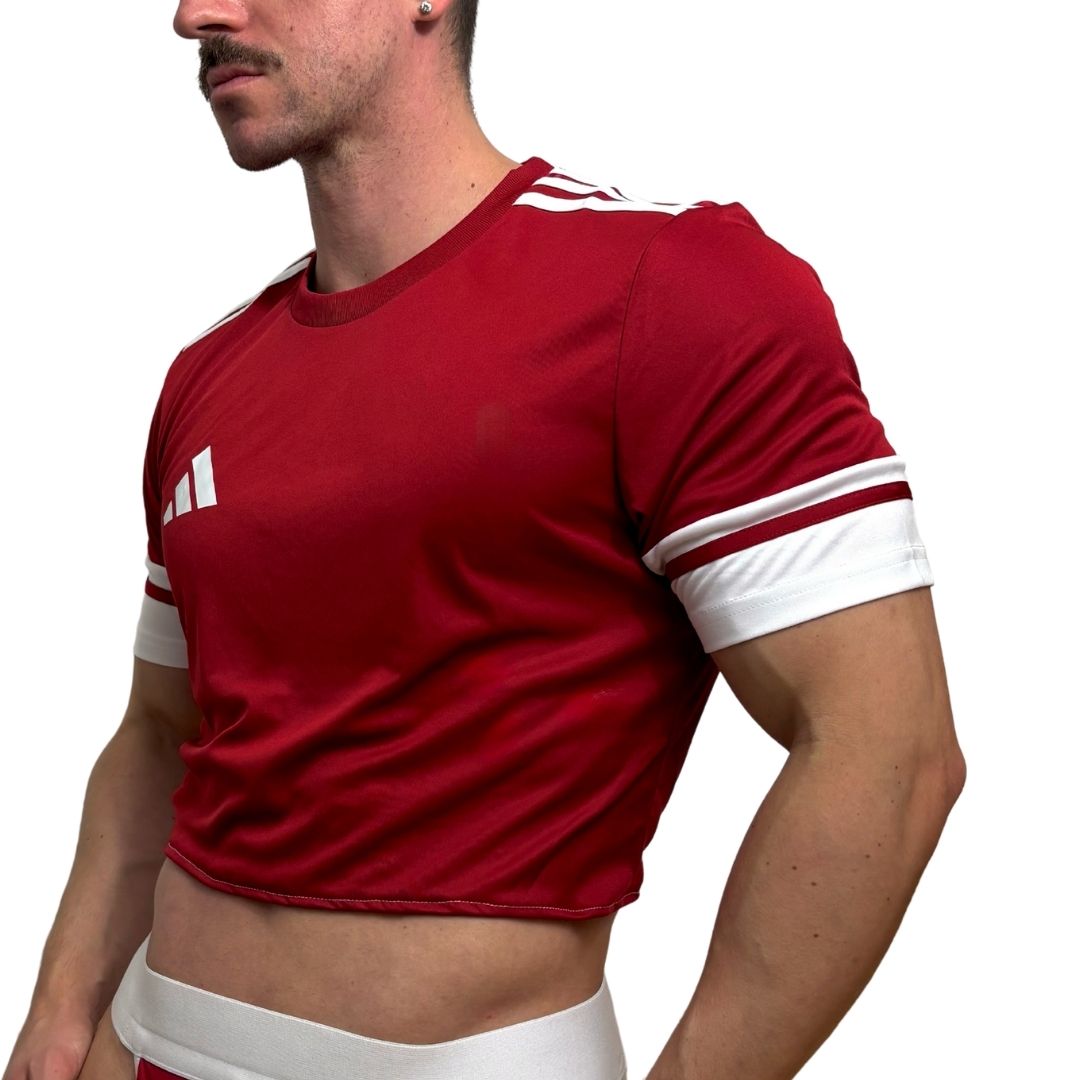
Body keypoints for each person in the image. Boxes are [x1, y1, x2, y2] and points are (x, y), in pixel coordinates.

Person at [3, 2, 966, 1079]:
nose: (195, 15)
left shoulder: (672, 290)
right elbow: (158, 731)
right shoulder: (211, 372)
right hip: (143, 1045)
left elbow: (889, 750)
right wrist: (58, 1012)